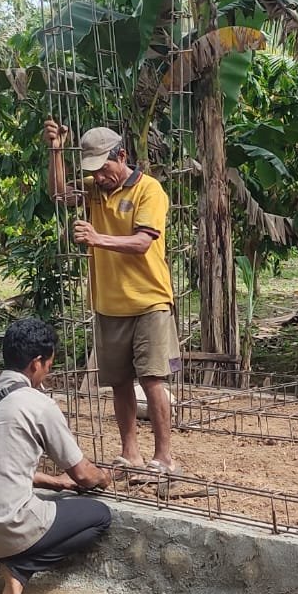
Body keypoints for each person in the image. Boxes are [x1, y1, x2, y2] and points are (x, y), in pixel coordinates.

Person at [44, 120, 182, 475]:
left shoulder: (149, 191)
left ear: (122, 157)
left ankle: (164, 458)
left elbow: (142, 242)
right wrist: (56, 150)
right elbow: (59, 195)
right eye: (92, 171)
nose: (98, 177)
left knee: (152, 378)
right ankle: (130, 454)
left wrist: (96, 238)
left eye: (103, 168)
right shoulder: (95, 189)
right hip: (108, 303)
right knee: (119, 381)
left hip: (149, 300)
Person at [0, 318, 112, 594]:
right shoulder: (38, 404)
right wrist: (104, 477)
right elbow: (83, 475)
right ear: (36, 363)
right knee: (99, 516)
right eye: (49, 365)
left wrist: (55, 482)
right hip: (6, 526)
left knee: (8, 510)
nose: (47, 373)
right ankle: (20, 569)